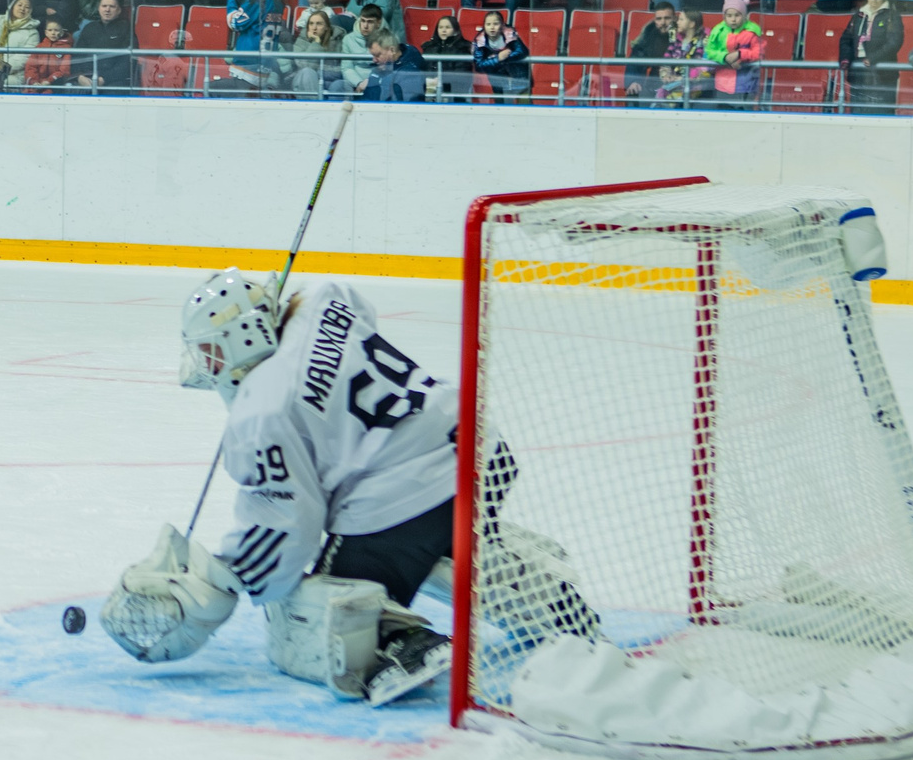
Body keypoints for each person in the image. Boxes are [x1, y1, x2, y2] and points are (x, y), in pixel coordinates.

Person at [100, 271, 596, 704]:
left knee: (317, 613)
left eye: (211, 352)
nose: (208, 367)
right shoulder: (321, 299)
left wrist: (227, 579)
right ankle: (538, 592)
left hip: (415, 498)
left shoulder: (260, 411)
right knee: (423, 549)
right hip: (481, 452)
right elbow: (357, 311)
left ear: (242, 336)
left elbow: (288, 529)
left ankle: (399, 645)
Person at [837, 0, 905, 114]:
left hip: (882, 75)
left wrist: (873, 58)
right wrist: (845, 58)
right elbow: (846, 40)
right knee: (858, 114)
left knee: (881, 115)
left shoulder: (892, 15)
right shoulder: (859, 15)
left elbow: (894, 42)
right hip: (858, 73)